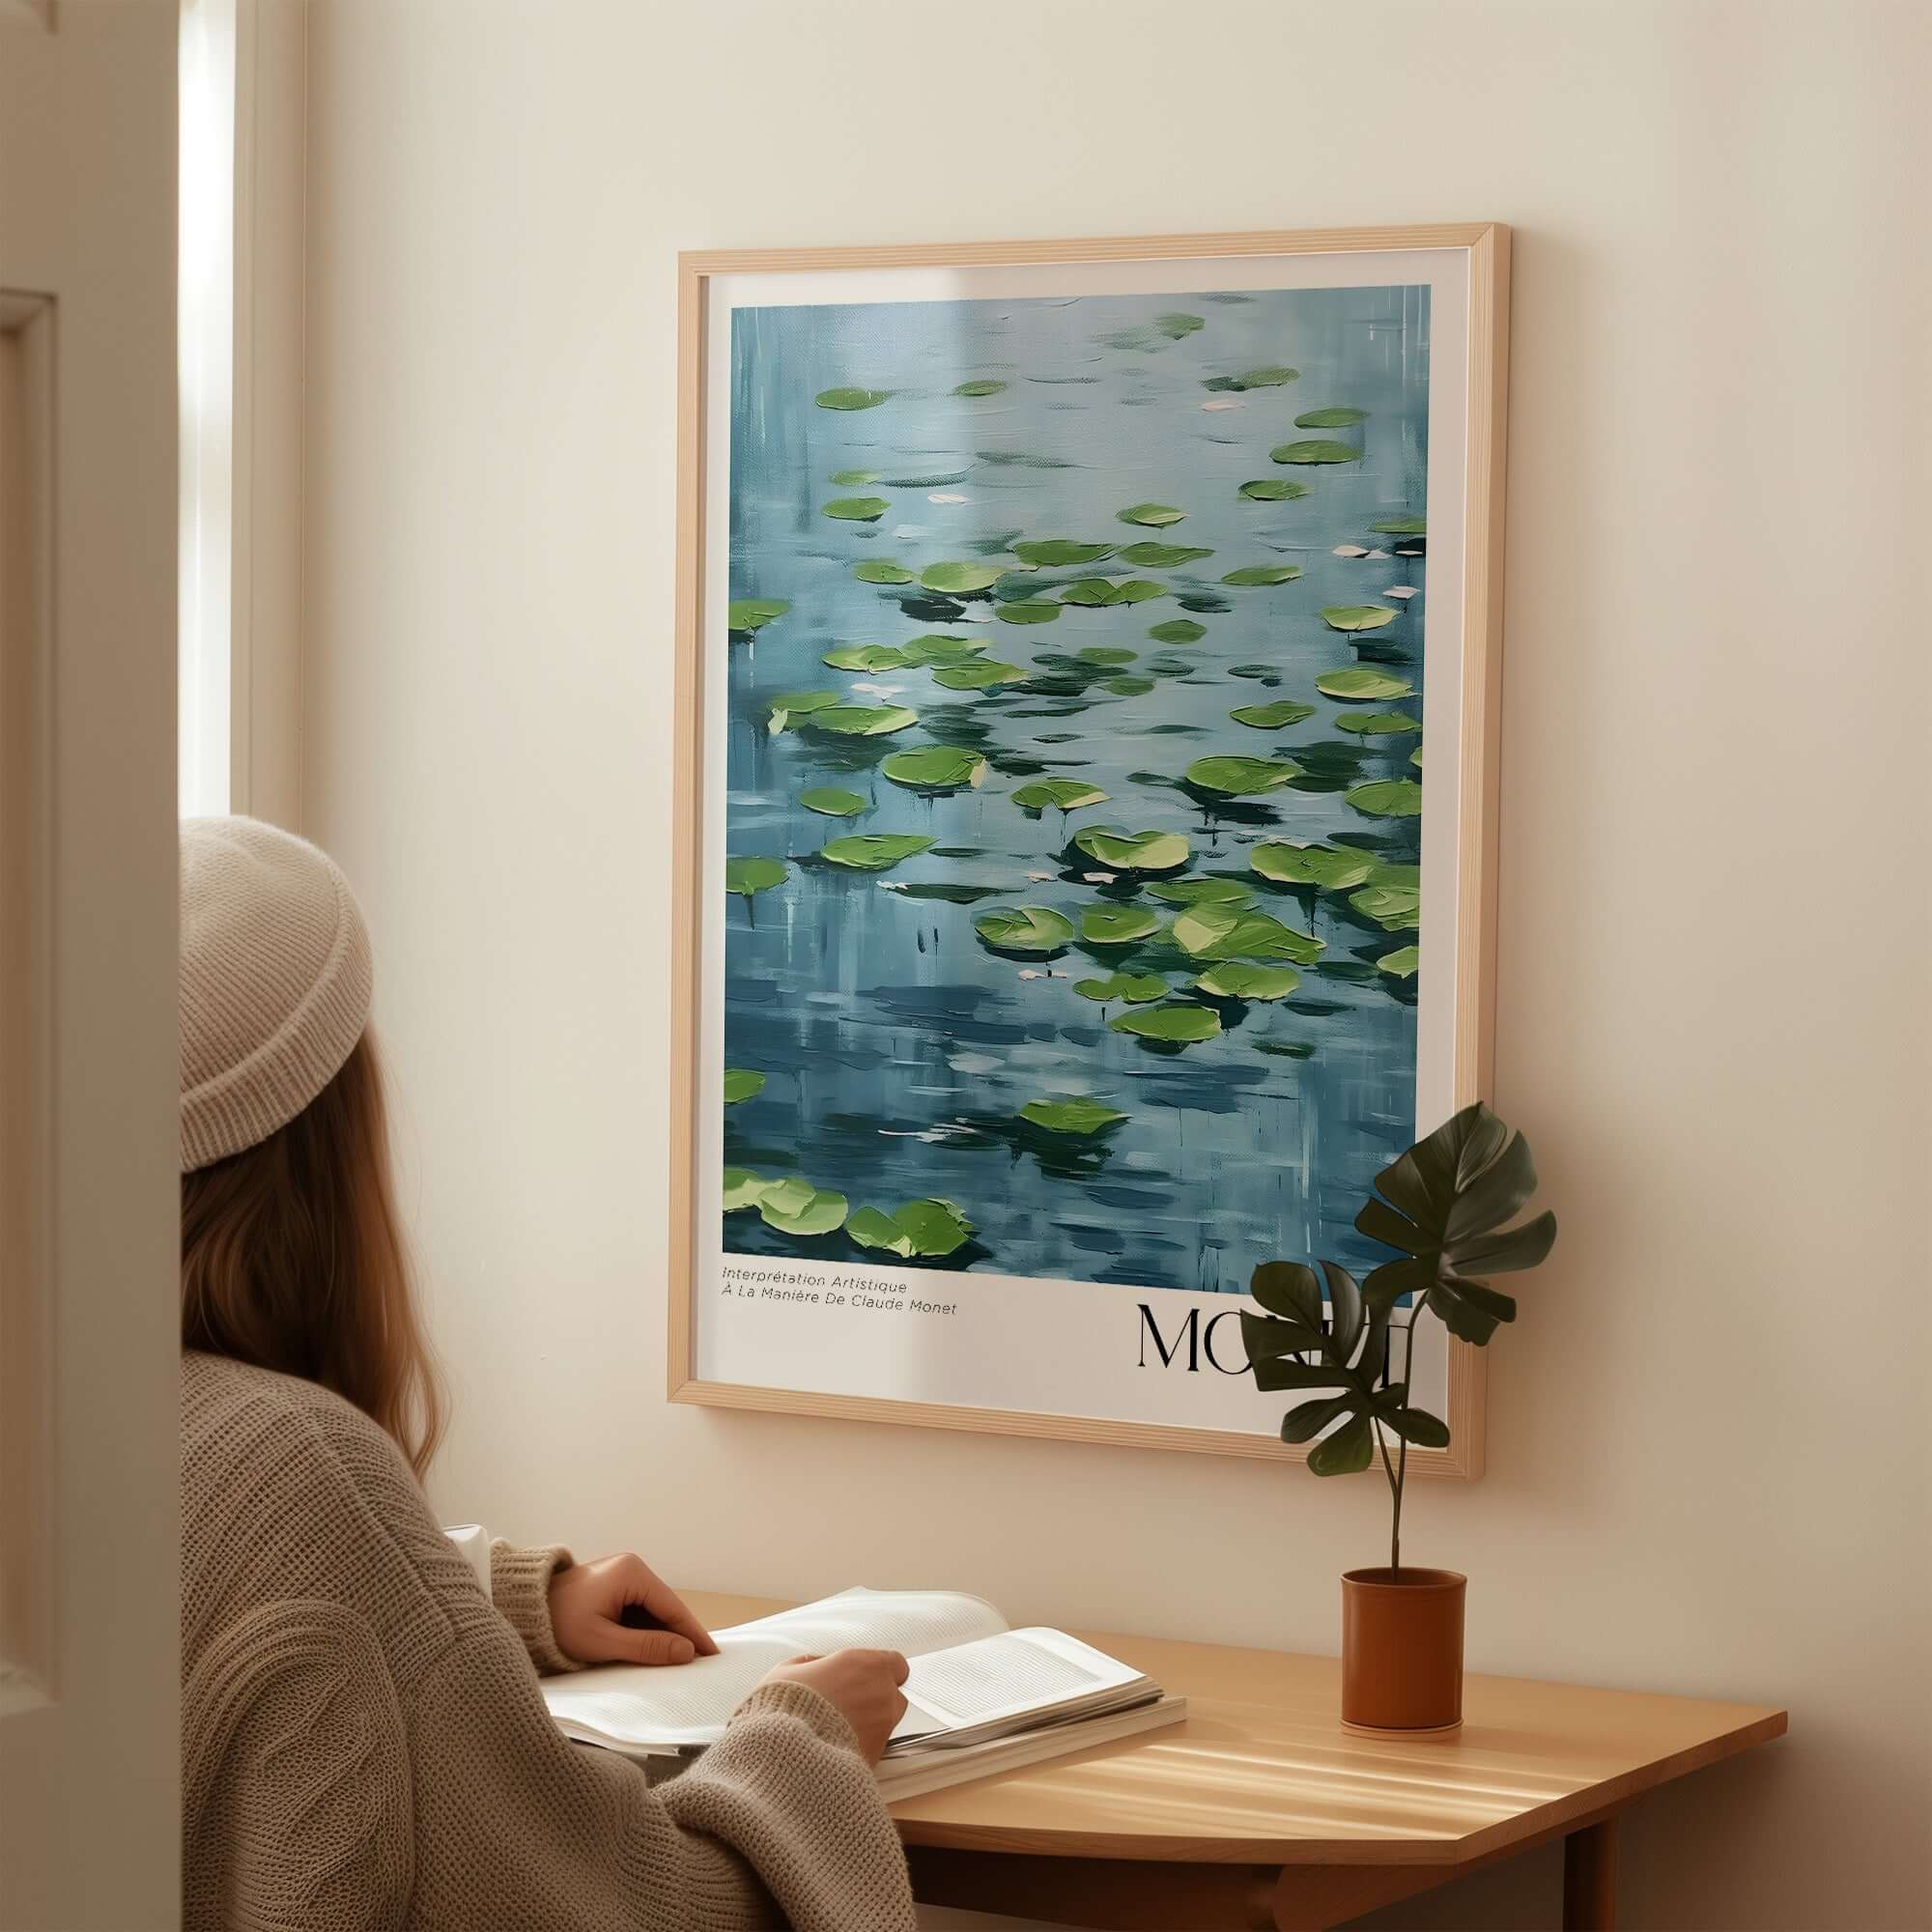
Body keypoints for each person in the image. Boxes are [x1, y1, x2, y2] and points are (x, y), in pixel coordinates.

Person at [178, 816, 919, 1931]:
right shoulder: (293, 1464)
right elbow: (630, 1911)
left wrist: (475, 1597)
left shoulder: (86, 1413)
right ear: (327, 1142)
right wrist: (799, 1738)